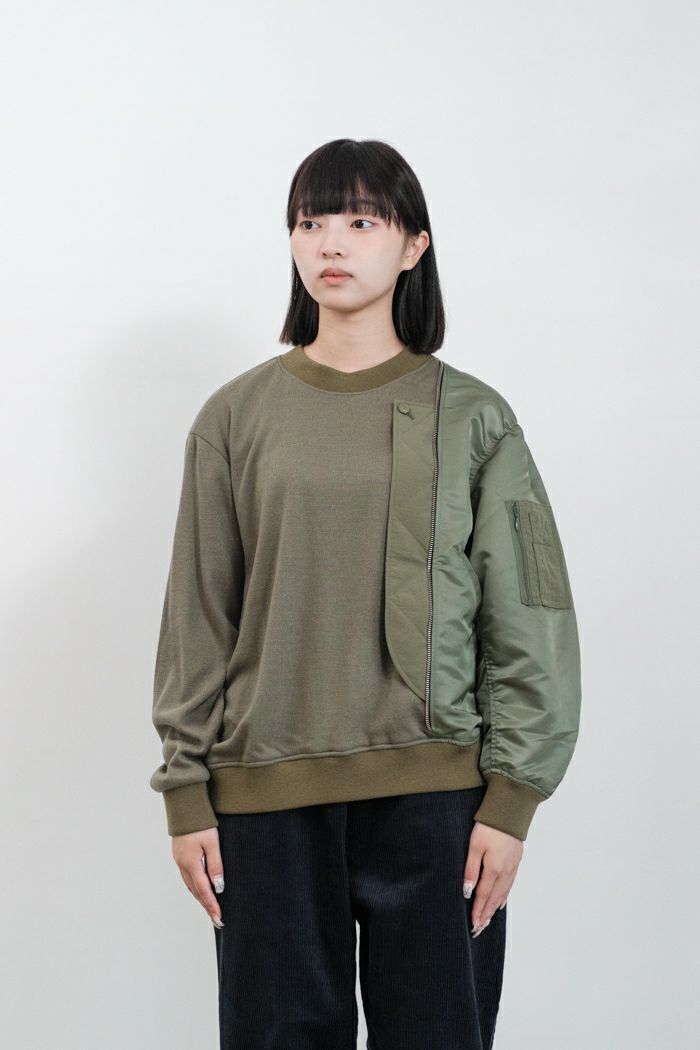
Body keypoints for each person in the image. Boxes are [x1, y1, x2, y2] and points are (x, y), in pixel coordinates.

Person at [149, 137, 582, 1050]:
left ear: (414, 245)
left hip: (437, 801)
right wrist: (185, 789)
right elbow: (198, 614)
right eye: (310, 222)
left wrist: (511, 800)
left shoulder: (474, 417)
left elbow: (528, 617)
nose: (331, 243)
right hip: (263, 798)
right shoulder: (233, 419)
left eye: (361, 221)